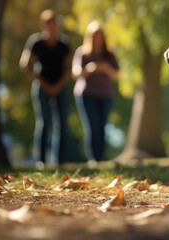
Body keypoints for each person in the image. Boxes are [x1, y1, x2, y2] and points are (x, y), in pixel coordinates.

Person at [19, 9, 72, 169]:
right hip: (42, 87)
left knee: (62, 123)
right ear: (43, 25)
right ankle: (41, 161)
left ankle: (59, 161)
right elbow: (25, 64)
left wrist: (58, 86)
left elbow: (70, 68)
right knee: (44, 123)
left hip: (59, 87)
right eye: (48, 23)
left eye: (54, 23)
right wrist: (44, 83)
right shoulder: (36, 42)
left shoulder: (63, 44)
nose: (51, 26)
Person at [72, 21, 119, 168]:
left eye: (100, 35)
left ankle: (101, 157)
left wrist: (105, 68)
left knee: (102, 126)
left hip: (105, 95)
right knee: (92, 126)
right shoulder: (82, 52)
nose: (98, 38)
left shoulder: (109, 54)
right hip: (87, 95)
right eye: (95, 35)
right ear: (90, 37)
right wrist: (91, 69)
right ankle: (93, 158)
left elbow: (115, 75)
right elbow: (76, 73)